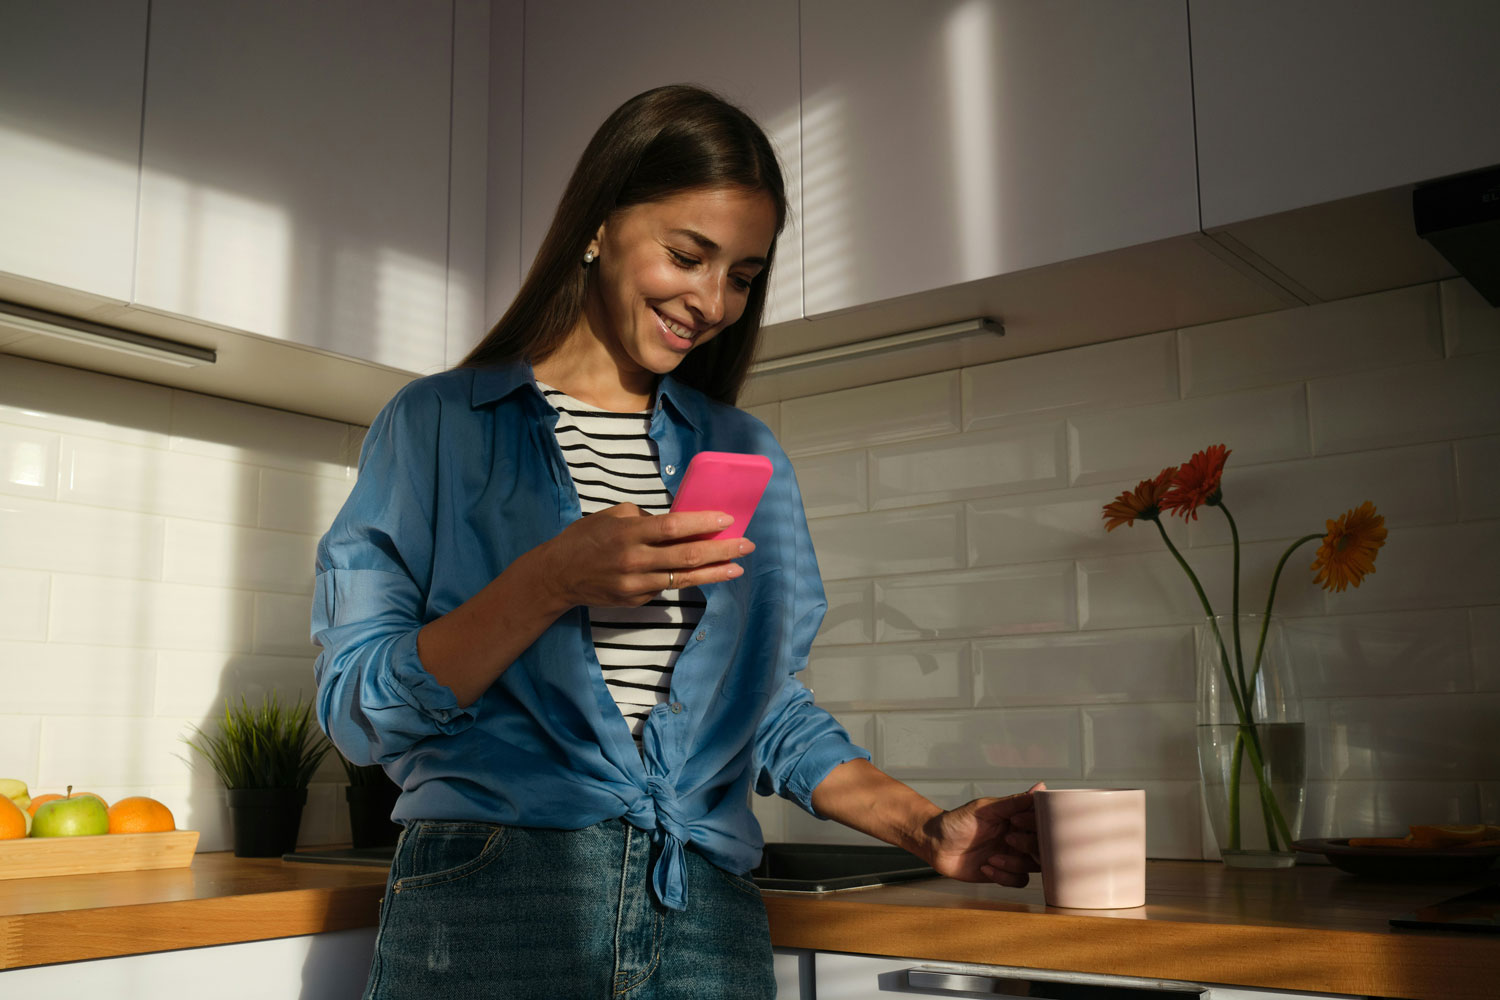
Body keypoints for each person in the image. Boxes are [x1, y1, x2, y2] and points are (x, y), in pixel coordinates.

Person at [312, 84, 1041, 1000]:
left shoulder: (742, 453)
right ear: (598, 225)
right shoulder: (438, 427)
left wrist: (928, 829)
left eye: (741, 275)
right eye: (688, 255)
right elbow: (357, 709)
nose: (712, 301)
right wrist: (547, 580)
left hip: (703, 913)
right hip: (490, 906)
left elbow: (764, 708)